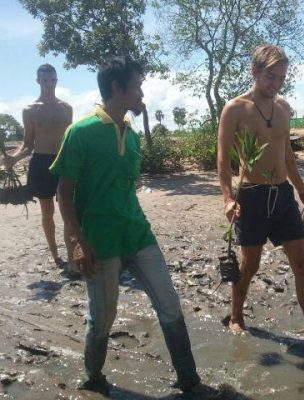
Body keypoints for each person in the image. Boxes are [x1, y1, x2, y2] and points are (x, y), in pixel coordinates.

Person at [50, 56, 201, 396]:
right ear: (117, 88)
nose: (142, 92)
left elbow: (126, 188)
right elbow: (64, 192)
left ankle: (190, 382)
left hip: (138, 233)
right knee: (102, 317)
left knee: (169, 303)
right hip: (99, 241)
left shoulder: (130, 135)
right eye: (137, 85)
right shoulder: (81, 132)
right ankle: (94, 377)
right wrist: (76, 241)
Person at [217, 44, 304, 337]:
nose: (275, 84)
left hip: (283, 194)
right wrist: (227, 198)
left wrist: (301, 190)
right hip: (251, 195)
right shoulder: (235, 108)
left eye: (281, 78)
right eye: (270, 77)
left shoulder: (284, 108)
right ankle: (236, 316)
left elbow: (286, 155)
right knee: (250, 265)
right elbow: (223, 158)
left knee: (301, 263)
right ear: (255, 71)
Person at [2, 64, 73, 271]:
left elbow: (71, 139)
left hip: (63, 162)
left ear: (56, 81)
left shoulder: (66, 108)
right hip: (41, 163)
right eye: (45, 80)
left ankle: (70, 256)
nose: (49, 84)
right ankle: (55, 254)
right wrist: (13, 159)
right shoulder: (30, 110)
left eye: (52, 80)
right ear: (38, 81)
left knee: (68, 210)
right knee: (47, 211)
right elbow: (27, 145)